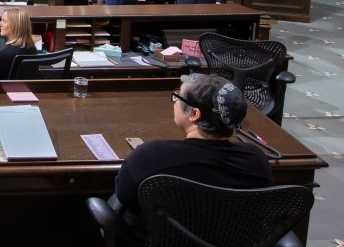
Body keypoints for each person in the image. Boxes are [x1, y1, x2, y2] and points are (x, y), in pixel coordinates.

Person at [111, 74, 273, 242]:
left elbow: (125, 197)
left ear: (195, 114)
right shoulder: (256, 160)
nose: (175, 102)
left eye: (178, 97)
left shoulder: (151, 155)